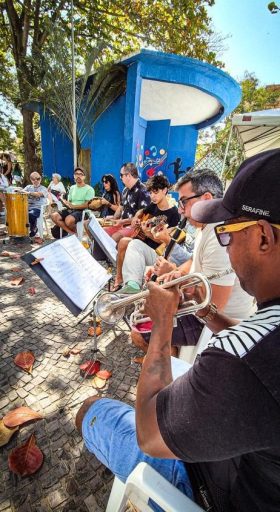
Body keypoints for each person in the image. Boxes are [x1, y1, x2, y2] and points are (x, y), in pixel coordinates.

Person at [76, 148, 280, 512]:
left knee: (91, 409)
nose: (225, 244)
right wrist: (208, 313)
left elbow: (149, 434)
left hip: (217, 489)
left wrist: (163, 325)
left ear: (263, 237)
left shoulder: (239, 362)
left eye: (229, 235)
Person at [127, 171, 253, 356]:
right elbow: (195, 260)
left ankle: (173, 373)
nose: (180, 210)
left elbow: (214, 306)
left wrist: (177, 283)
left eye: (184, 202)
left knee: (140, 333)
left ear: (207, 198)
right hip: (204, 306)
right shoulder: (207, 224)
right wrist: (175, 272)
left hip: (216, 320)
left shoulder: (220, 236)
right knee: (148, 310)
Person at [114, 174, 180, 293]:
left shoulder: (174, 214)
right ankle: (119, 280)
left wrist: (148, 233)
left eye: (156, 192)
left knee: (132, 244)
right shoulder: (153, 205)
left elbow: (167, 243)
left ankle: (133, 285)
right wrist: (136, 217)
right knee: (123, 243)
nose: (152, 196)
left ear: (165, 190)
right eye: (150, 193)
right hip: (144, 243)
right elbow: (141, 211)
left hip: (157, 252)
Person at [102, 163, 151, 243]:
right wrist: (113, 218)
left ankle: (114, 255)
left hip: (134, 227)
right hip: (122, 224)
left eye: (121, 175)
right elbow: (120, 208)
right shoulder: (125, 190)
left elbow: (142, 218)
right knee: (103, 233)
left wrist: (122, 221)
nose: (120, 178)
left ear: (128, 175)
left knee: (115, 237)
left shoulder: (143, 191)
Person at [51, 167, 95, 235]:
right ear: (74, 176)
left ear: (84, 177)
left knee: (68, 220)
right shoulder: (72, 188)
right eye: (76, 174)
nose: (78, 176)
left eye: (81, 174)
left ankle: (74, 231)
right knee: (54, 216)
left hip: (83, 211)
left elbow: (87, 205)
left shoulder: (89, 189)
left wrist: (73, 206)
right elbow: (70, 202)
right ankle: (72, 233)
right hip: (71, 209)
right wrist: (65, 202)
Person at [23, 172, 48, 238]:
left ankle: (33, 228)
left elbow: (39, 194)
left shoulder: (43, 188)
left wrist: (28, 193)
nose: (36, 180)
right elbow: (21, 193)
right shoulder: (28, 187)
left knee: (31, 214)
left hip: (38, 208)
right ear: (31, 180)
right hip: (27, 207)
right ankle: (19, 231)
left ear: (40, 179)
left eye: (38, 178)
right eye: (33, 179)